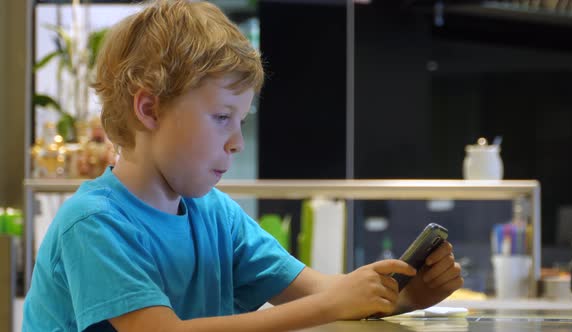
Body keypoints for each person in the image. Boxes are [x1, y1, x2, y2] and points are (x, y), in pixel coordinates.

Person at [23, 1, 463, 331]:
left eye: (240, 122)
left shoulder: (217, 215)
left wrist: (403, 296)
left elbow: (321, 291)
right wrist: (337, 303)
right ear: (150, 110)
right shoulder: (95, 223)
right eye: (220, 118)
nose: (235, 142)